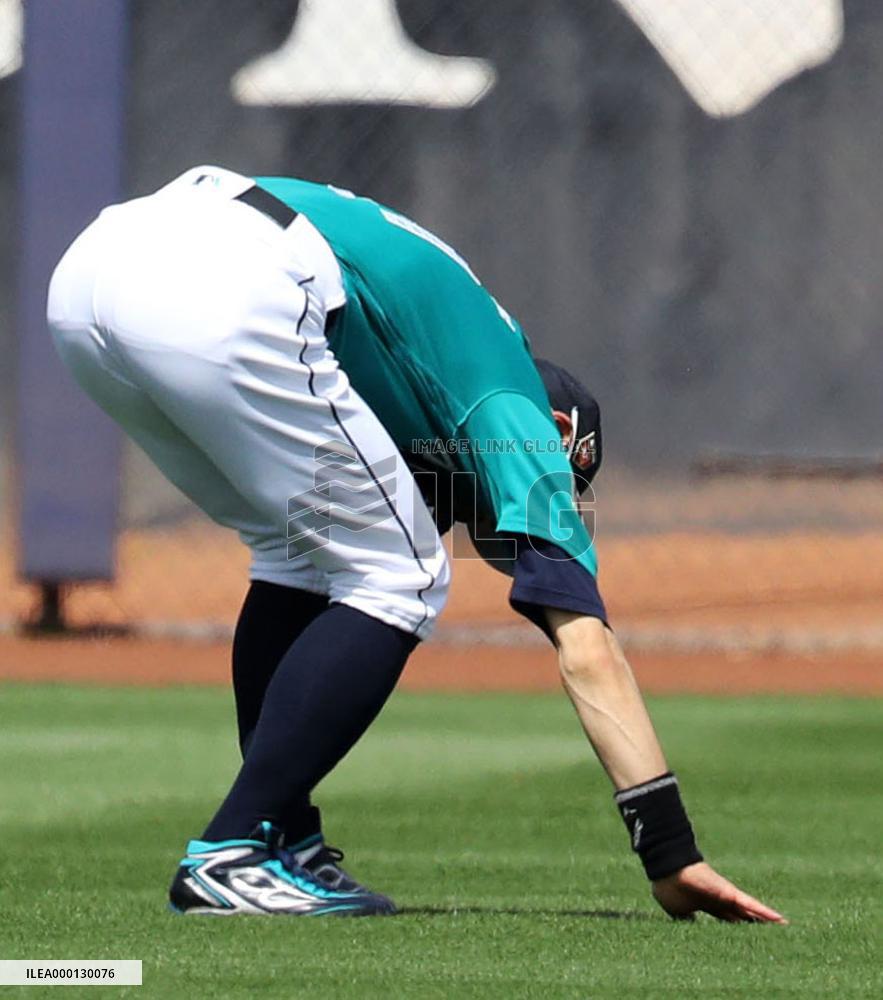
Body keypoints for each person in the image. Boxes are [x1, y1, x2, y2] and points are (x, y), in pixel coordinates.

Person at [47, 166, 785, 922]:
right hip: (231, 278)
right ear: (559, 435)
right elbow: (586, 647)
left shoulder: (433, 360)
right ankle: (233, 851)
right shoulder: (517, 406)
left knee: (296, 554)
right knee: (400, 577)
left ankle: (282, 843)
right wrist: (670, 854)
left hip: (94, 274)